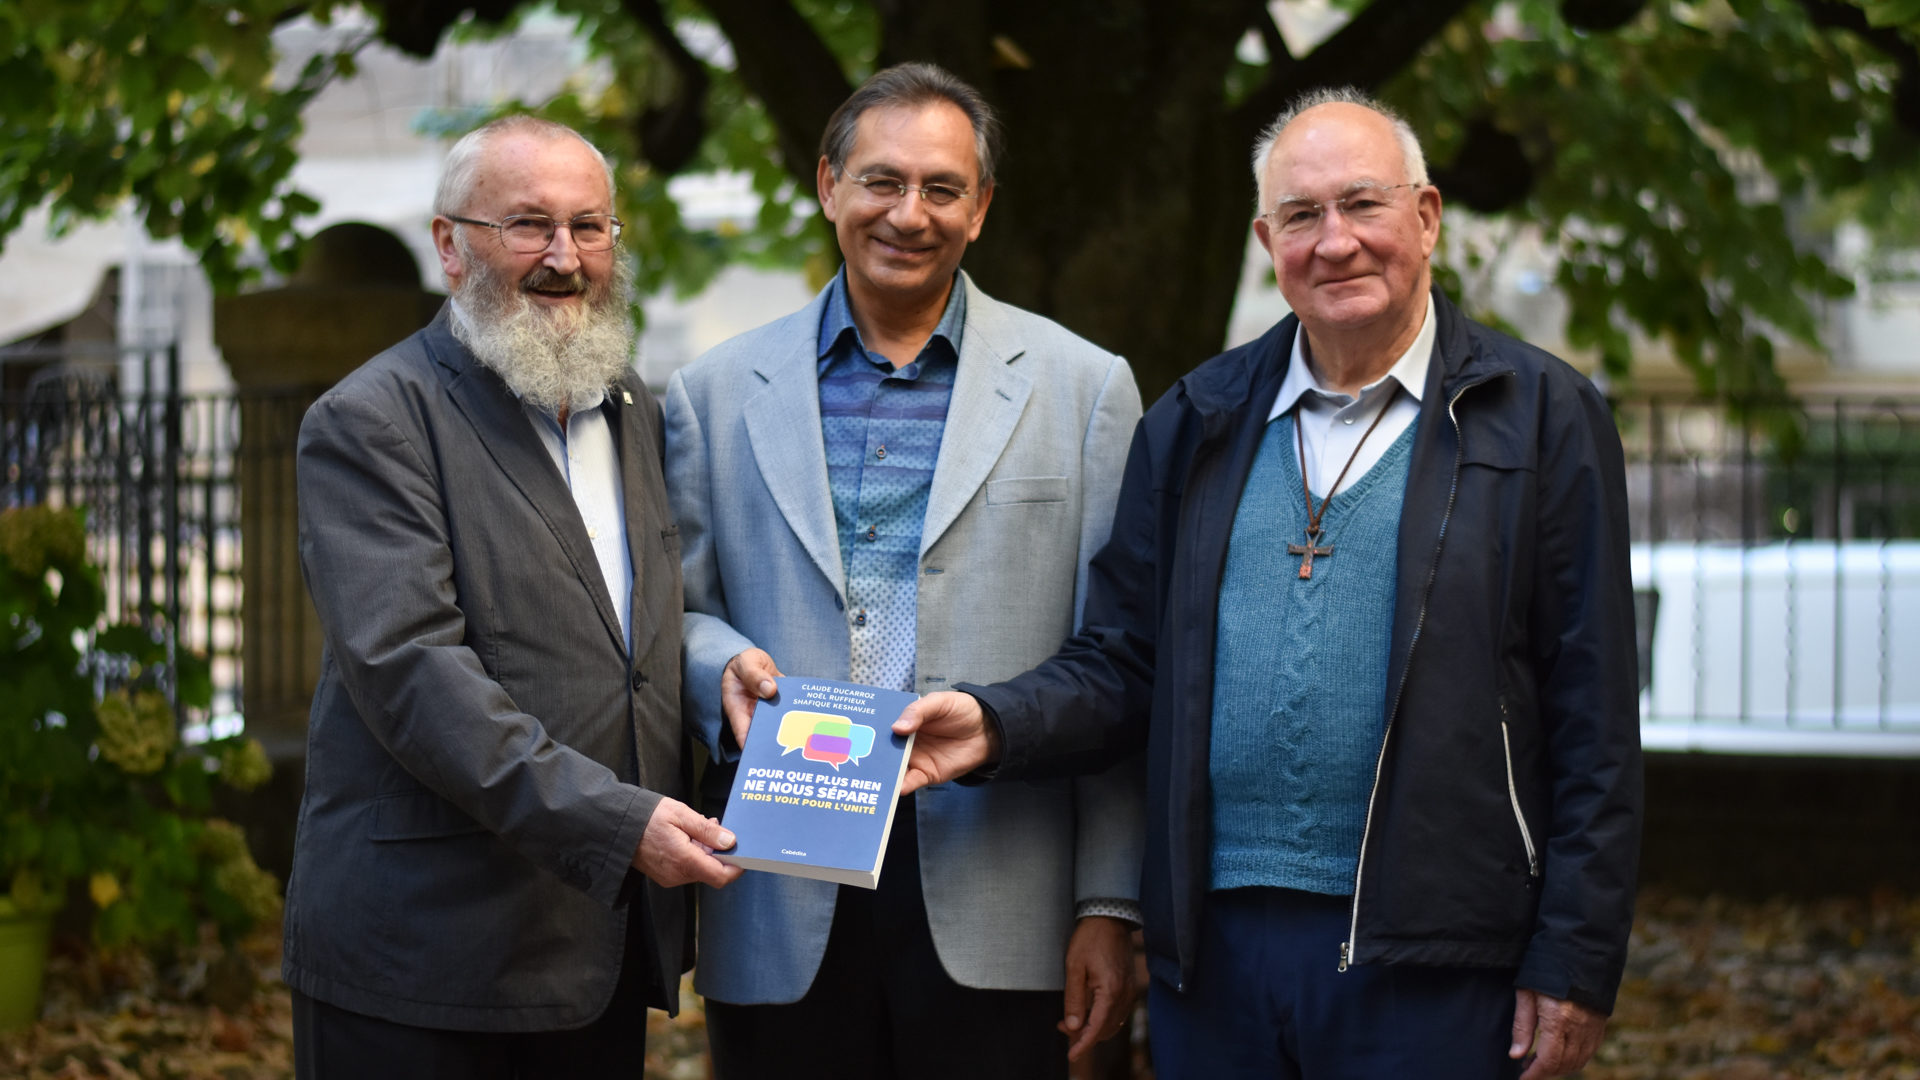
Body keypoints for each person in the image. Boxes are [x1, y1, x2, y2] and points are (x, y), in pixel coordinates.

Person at [895, 87, 1644, 1080]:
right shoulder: (1199, 418)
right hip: (1218, 957)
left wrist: (1578, 959)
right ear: (1265, 239)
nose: (1335, 242)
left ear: (1425, 217)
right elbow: (1124, 664)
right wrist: (995, 725)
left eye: (1362, 204)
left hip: (1440, 957)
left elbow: (1595, 713)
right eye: (1301, 216)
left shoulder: (1540, 416)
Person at [664, 62, 1146, 1079]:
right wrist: (716, 668)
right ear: (828, 184)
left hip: (1002, 893)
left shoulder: (1086, 389)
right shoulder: (709, 394)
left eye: (941, 188)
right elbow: (677, 614)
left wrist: (1108, 904)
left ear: (981, 211)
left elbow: (1118, 666)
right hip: (777, 883)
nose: (908, 213)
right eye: (882, 181)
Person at [285, 115, 740, 1078]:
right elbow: (414, 674)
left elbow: (633, 639)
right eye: (529, 225)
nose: (565, 258)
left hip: (594, 950)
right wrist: (620, 824)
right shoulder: (371, 420)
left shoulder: (630, 408)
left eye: (591, 227)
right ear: (449, 244)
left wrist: (720, 670)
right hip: (423, 959)